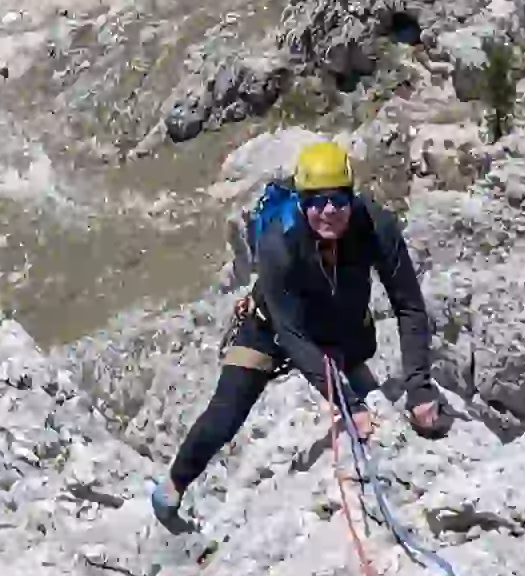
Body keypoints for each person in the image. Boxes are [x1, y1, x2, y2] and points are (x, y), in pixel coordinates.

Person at [148, 140, 445, 532]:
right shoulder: (279, 241)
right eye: (316, 201)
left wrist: (420, 390)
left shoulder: (377, 226)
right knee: (226, 412)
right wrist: (350, 405)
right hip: (272, 326)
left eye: (338, 199)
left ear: (352, 197)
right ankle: (171, 488)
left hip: (340, 328)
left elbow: (408, 305)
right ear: (302, 201)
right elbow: (290, 334)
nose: (328, 211)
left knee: (367, 396)